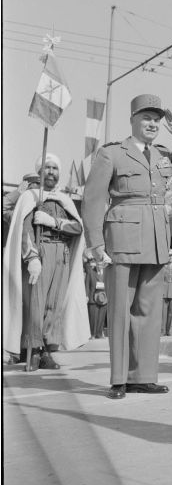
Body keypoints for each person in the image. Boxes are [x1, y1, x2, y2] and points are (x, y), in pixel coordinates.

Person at [81, 94, 172, 399]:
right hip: (122, 239)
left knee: (149, 312)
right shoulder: (112, 154)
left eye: (157, 120)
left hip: (155, 240)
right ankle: (119, 379)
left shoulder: (164, 155)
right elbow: (93, 200)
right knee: (121, 311)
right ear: (133, 121)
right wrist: (96, 242)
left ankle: (144, 376)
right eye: (146, 119)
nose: (153, 124)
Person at [3, 154, 90, 369]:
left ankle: (48, 351)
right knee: (36, 304)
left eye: (55, 168)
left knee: (54, 305)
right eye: (47, 168)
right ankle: (33, 350)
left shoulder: (65, 198)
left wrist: (54, 222)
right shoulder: (31, 196)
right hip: (40, 252)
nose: (51, 172)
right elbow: (25, 230)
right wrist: (31, 257)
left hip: (62, 254)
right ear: (39, 172)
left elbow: (77, 228)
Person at [84, 252, 108, 339]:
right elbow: (87, 284)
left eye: (101, 264)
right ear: (96, 264)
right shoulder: (91, 271)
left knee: (101, 317)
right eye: (98, 264)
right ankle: (92, 334)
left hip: (104, 298)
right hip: (92, 297)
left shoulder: (107, 272)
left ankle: (99, 334)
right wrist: (86, 295)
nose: (100, 265)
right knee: (93, 317)